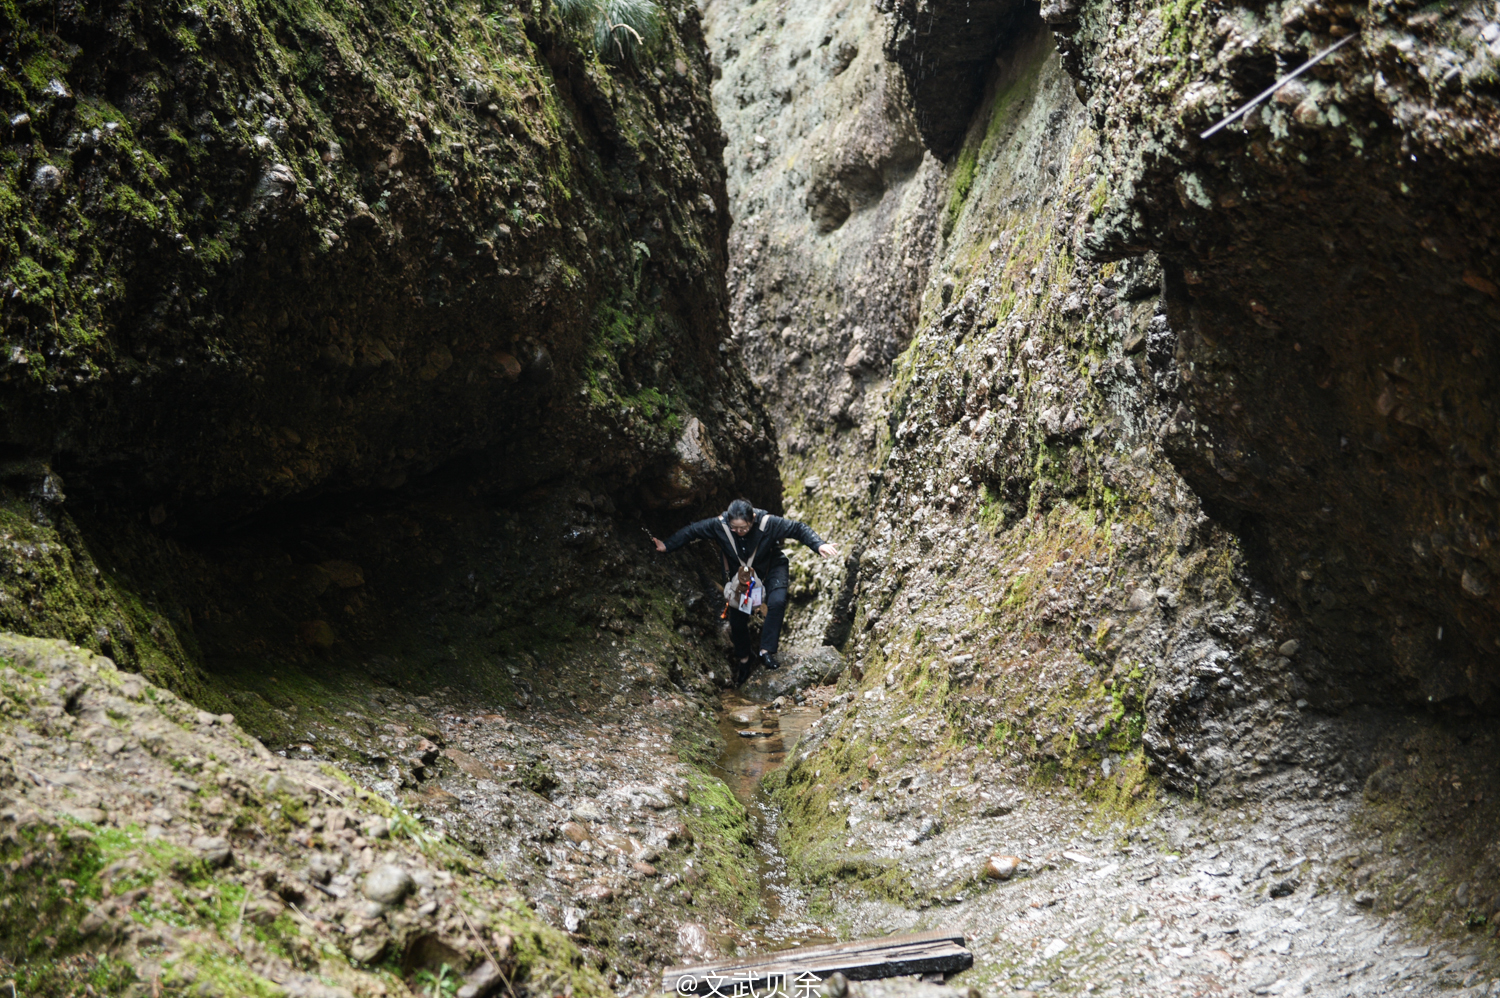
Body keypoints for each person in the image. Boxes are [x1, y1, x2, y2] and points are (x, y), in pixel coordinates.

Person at [653, 498, 840, 682]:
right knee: (738, 617)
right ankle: (745, 659)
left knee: (777, 602)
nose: (739, 532)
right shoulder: (720, 525)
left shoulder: (768, 523)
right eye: (735, 528)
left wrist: (819, 544)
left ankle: (766, 650)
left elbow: (797, 529)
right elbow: (692, 531)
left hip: (771, 568)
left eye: (744, 528)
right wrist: (667, 545)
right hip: (745, 578)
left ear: (753, 518)